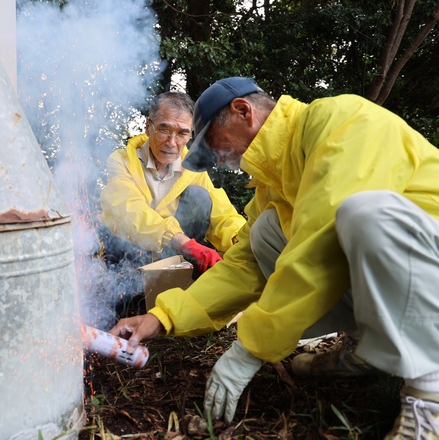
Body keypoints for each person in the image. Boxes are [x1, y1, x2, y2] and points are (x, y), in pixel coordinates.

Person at [108, 76, 439, 439]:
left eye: (216, 147)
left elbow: (319, 246)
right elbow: (244, 265)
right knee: (267, 232)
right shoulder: (275, 181)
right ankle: (364, 344)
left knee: (363, 213)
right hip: (411, 280)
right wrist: (161, 316)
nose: (219, 160)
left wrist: (250, 347)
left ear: (242, 111)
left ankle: (429, 396)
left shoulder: (342, 120)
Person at [99, 91, 246, 280]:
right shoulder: (122, 160)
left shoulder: (192, 167)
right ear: (148, 126)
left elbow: (223, 215)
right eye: (164, 130)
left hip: (171, 255)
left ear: (190, 134)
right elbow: (128, 209)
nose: (172, 142)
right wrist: (183, 242)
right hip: (127, 251)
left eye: (182, 133)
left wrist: (246, 246)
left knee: (200, 196)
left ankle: (174, 281)